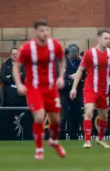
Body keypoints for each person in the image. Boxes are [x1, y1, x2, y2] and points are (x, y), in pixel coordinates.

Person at [13, 21, 67, 160]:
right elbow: (16, 66)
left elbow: (62, 60)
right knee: (39, 116)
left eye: (47, 30)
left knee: (56, 120)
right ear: (35, 31)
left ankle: (54, 141)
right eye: (42, 30)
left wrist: (61, 77)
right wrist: (19, 84)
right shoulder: (27, 48)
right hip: (34, 88)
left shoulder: (54, 45)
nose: (45, 33)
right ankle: (39, 149)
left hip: (51, 87)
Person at [70, 29, 110, 149]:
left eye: (109, 38)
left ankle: (100, 138)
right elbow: (80, 70)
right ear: (98, 38)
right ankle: (87, 141)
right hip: (90, 87)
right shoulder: (89, 53)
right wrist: (73, 88)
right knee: (89, 111)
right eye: (105, 38)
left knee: (104, 116)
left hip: (104, 89)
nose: (108, 41)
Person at [60, 44, 83, 140]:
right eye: (72, 54)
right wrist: (70, 77)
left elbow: (83, 73)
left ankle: (74, 135)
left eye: (75, 54)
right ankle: (60, 136)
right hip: (65, 91)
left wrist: (77, 77)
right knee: (63, 115)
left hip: (77, 91)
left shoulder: (79, 61)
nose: (73, 56)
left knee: (76, 114)